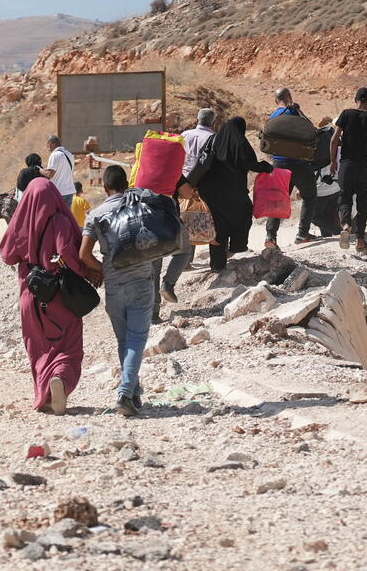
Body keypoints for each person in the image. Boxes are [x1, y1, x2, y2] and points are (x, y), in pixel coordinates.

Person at [0, 177, 89, 416]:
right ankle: (60, 379)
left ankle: (45, 396)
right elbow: (68, 256)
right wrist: (88, 272)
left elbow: (7, 255)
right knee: (68, 345)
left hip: (30, 294)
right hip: (59, 294)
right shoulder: (60, 221)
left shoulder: (21, 221)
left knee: (38, 347)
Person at [79, 166, 156, 417]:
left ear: (104, 187)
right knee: (136, 340)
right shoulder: (140, 204)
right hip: (142, 282)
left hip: (113, 286)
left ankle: (132, 392)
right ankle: (125, 393)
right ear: (126, 184)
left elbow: (84, 255)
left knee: (124, 341)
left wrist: (103, 270)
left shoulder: (96, 214)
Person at [183, 117, 273, 272]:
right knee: (243, 215)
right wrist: (266, 167)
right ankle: (237, 245)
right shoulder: (240, 143)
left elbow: (201, 162)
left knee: (218, 228)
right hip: (234, 193)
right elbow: (250, 163)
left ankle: (217, 265)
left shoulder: (213, 140)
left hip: (211, 193)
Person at [161, 108, 218, 303]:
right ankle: (211, 258)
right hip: (202, 184)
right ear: (213, 122)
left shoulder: (185, 135)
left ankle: (188, 260)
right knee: (203, 219)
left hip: (180, 183)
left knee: (185, 219)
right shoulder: (214, 138)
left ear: (197, 120)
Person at [329, 87, 367, 252]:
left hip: (346, 164)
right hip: (363, 166)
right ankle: (360, 239)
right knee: (363, 201)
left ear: (356, 100)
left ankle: (346, 224)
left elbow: (334, 140)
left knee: (345, 197)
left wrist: (333, 161)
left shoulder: (346, 114)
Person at [264, 88, 320, 249]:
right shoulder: (294, 113)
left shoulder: (273, 117)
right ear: (289, 97)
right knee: (310, 196)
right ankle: (302, 233)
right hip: (300, 164)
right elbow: (310, 132)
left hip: (279, 165)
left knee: (278, 201)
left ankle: (271, 237)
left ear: (276, 101)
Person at [45, 135, 76, 207]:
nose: (47, 149)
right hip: (69, 191)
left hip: (58, 191)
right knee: (66, 216)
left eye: (47, 145)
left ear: (52, 144)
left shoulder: (55, 155)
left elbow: (50, 174)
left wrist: (40, 170)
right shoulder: (69, 154)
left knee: (56, 217)